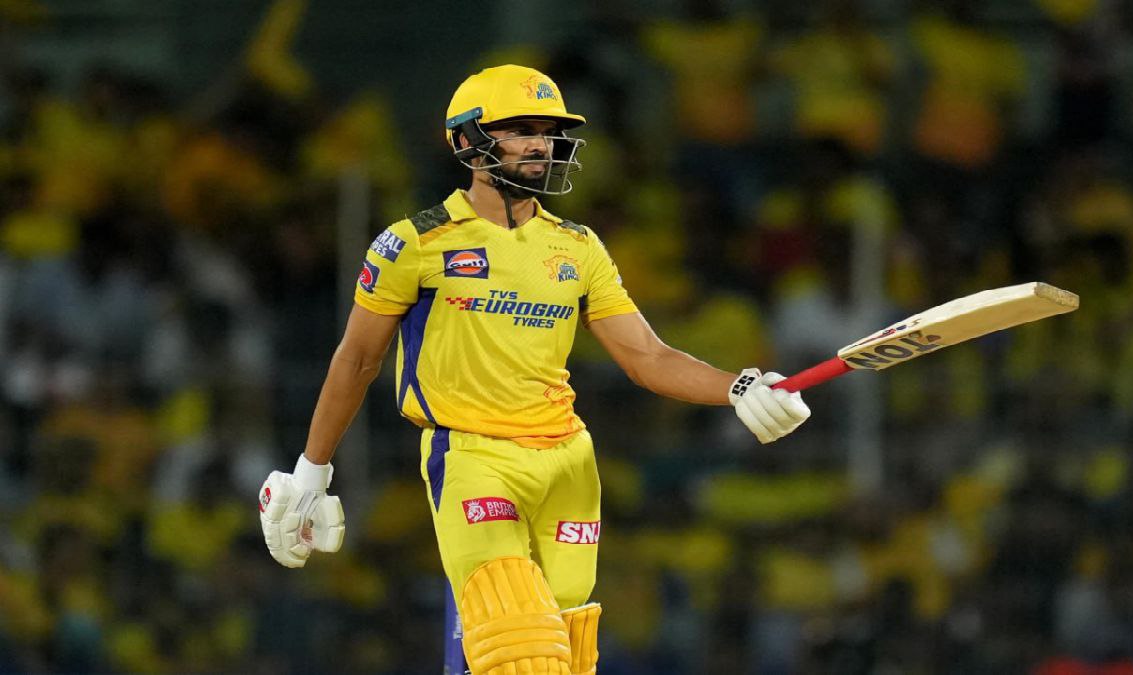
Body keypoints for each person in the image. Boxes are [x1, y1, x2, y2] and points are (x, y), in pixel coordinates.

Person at [257, 64, 812, 675]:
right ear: (466, 140)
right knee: (521, 650)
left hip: (569, 466)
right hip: (474, 457)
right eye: (521, 130)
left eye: (548, 133)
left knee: (567, 656)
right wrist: (311, 472)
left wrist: (738, 386)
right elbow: (358, 359)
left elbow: (648, 356)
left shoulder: (578, 246)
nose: (541, 145)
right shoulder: (414, 243)